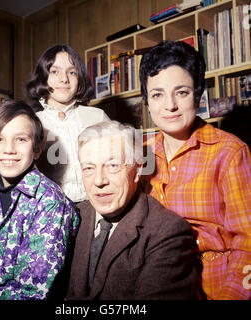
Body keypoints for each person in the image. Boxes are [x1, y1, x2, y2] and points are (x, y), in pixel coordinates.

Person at [139, 40, 251, 300]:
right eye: (157, 94)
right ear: (146, 100)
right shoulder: (138, 152)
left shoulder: (230, 152)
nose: (170, 106)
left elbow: (248, 243)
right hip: (153, 283)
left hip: (214, 285)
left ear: (198, 94)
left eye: (181, 92)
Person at [66, 120, 199, 299]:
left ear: (137, 170)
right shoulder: (72, 216)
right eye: (89, 168)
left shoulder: (167, 231)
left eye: (112, 166)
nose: (99, 181)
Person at [0, 100, 79, 300]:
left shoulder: (49, 201)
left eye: (21, 139)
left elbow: (35, 292)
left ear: (37, 148)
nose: (9, 149)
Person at [26, 44, 110, 203]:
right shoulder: (31, 122)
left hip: (95, 206)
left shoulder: (98, 117)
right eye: (54, 72)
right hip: (48, 211)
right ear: (43, 77)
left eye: (72, 72)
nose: (64, 79)